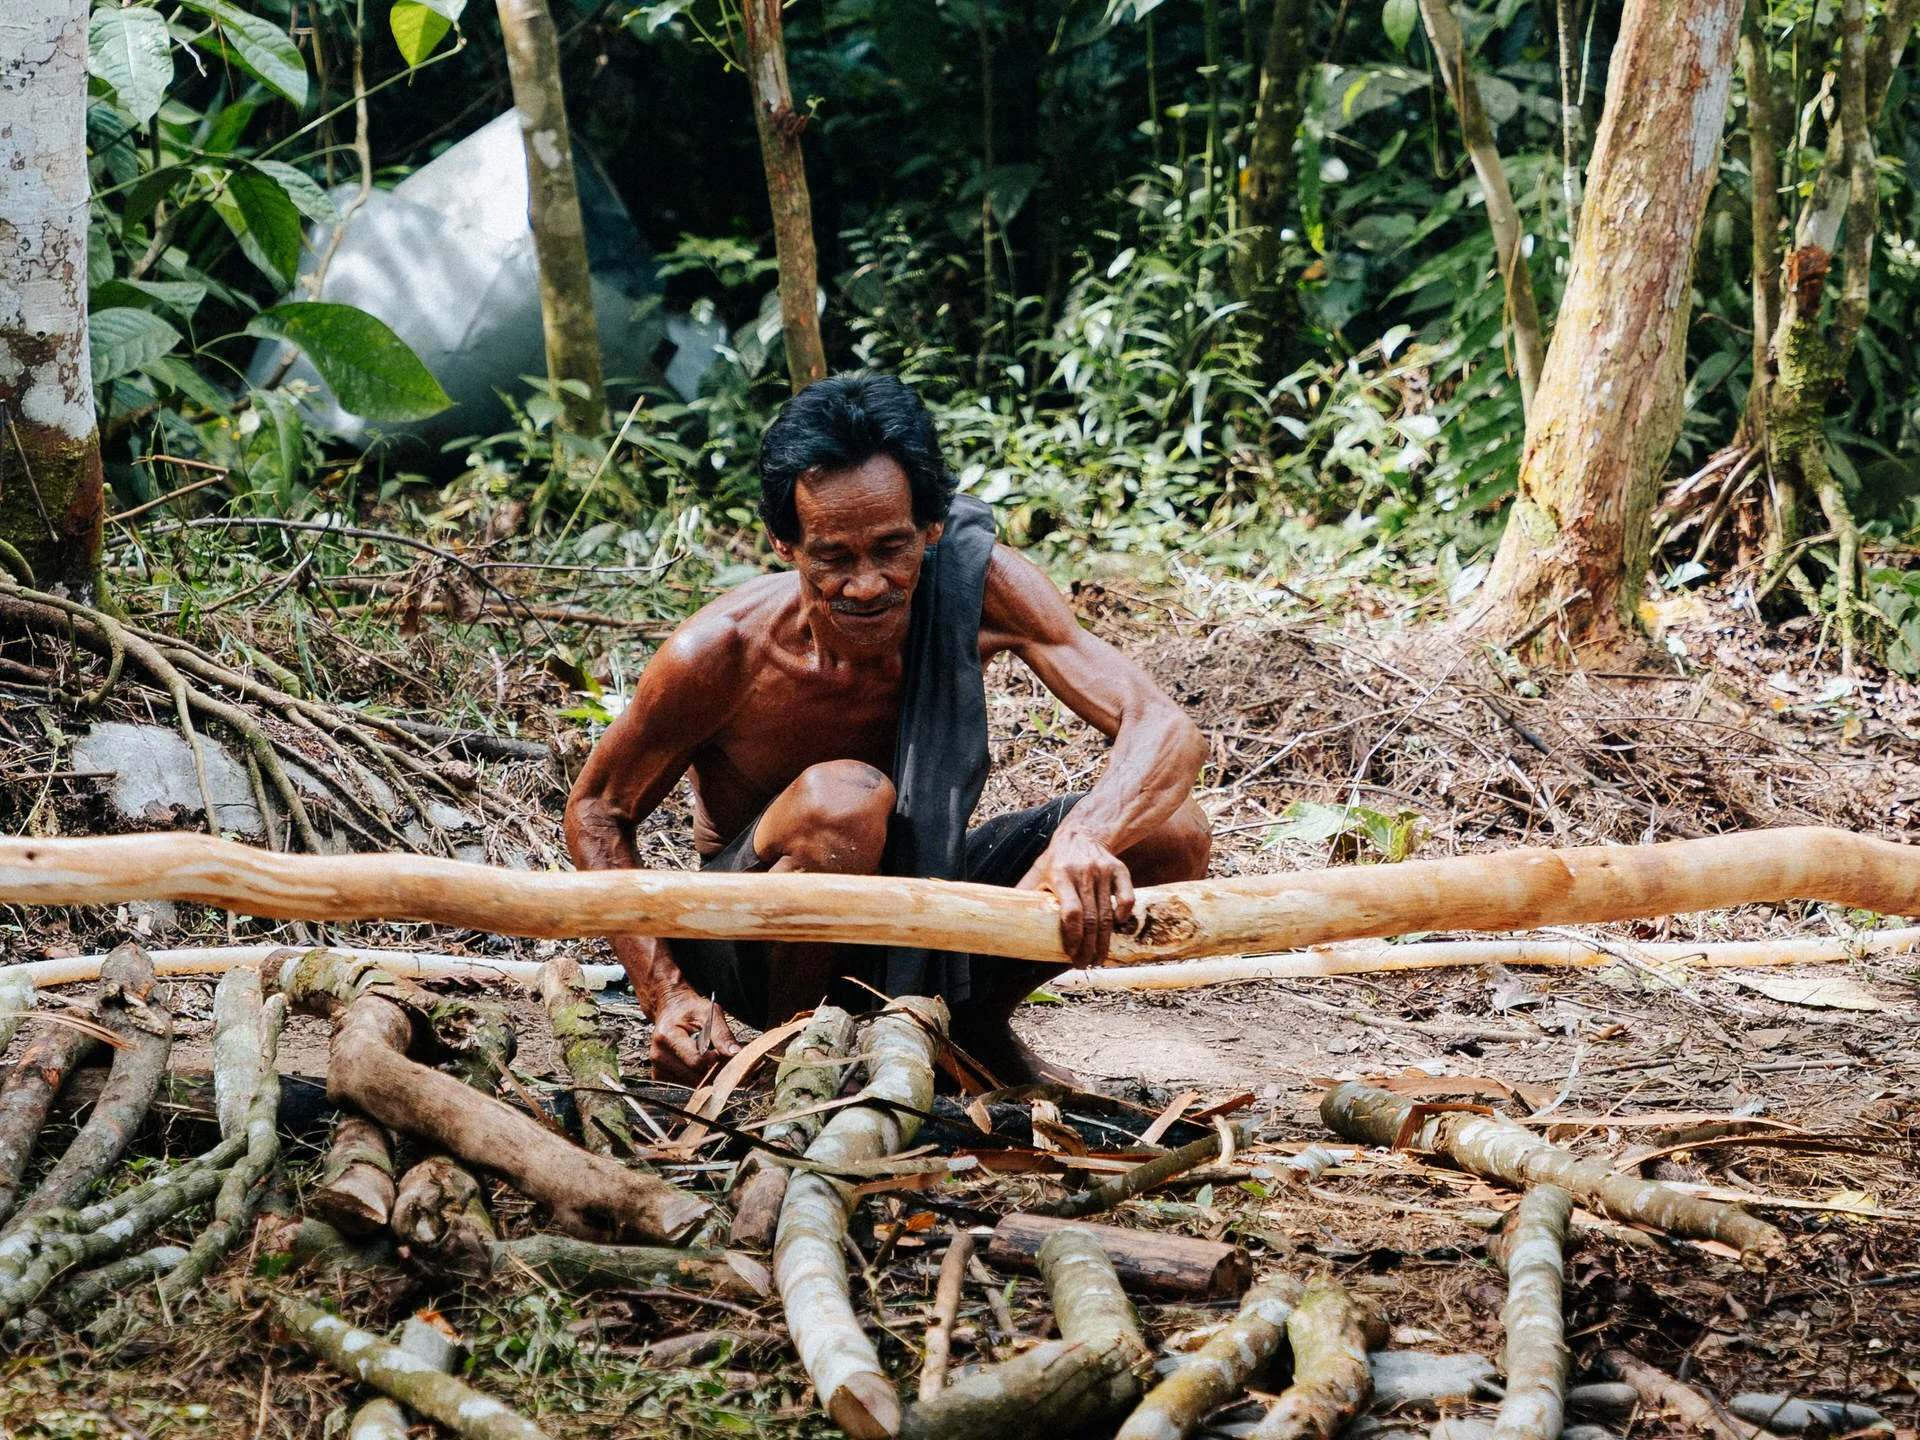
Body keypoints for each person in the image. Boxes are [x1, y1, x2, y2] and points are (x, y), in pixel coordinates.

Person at [564, 373, 1210, 1085]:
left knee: (1168, 827)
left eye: (892, 549)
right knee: (845, 800)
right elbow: (598, 810)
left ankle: (966, 1027)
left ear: (931, 528)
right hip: (757, 939)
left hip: (918, 904)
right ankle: (799, 1055)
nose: (867, 584)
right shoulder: (721, 654)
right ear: (785, 543)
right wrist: (669, 993)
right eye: (833, 557)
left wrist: (1088, 836)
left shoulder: (978, 583)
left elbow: (1162, 726)